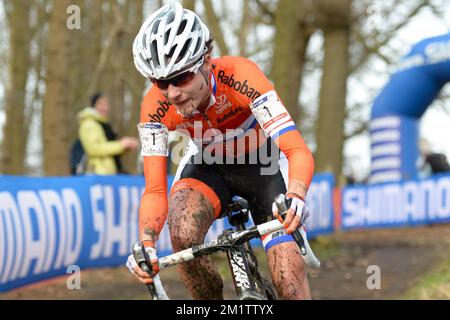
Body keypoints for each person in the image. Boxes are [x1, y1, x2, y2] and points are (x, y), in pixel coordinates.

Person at [126, 2, 315, 299]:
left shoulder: (241, 76)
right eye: (161, 81)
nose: (173, 92)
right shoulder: (155, 106)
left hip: (262, 165)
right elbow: (154, 190)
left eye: (182, 77)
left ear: (206, 61)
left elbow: (296, 149)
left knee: (287, 278)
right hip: (207, 164)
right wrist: (147, 245)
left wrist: (297, 194)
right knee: (182, 231)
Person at [77, 92, 138, 175]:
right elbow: (93, 149)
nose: (105, 108)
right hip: (98, 175)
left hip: (110, 174)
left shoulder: (104, 125)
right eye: (101, 104)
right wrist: (121, 145)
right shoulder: (89, 124)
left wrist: (125, 147)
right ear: (93, 106)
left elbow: (109, 151)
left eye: (107, 105)